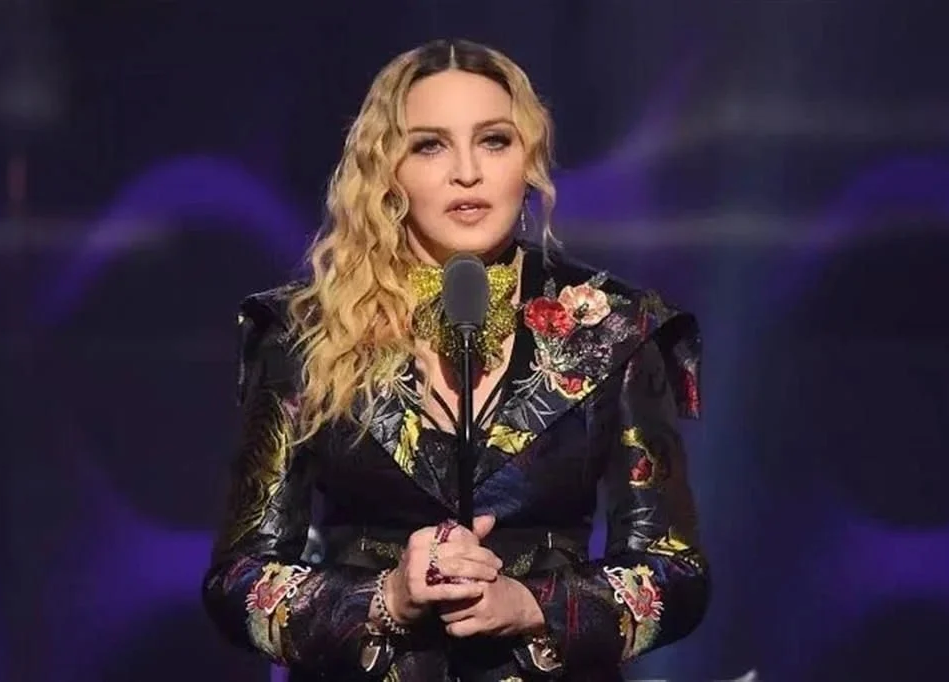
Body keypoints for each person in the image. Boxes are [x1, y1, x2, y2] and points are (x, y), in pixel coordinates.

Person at [201, 38, 708, 681]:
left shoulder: (614, 327)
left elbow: (675, 571)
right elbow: (238, 579)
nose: (467, 172)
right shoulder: (305, 334)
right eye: (429, 146)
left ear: (529, 158)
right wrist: (385, 598)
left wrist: (534, 606)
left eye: (494, 141)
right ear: (386, 168)